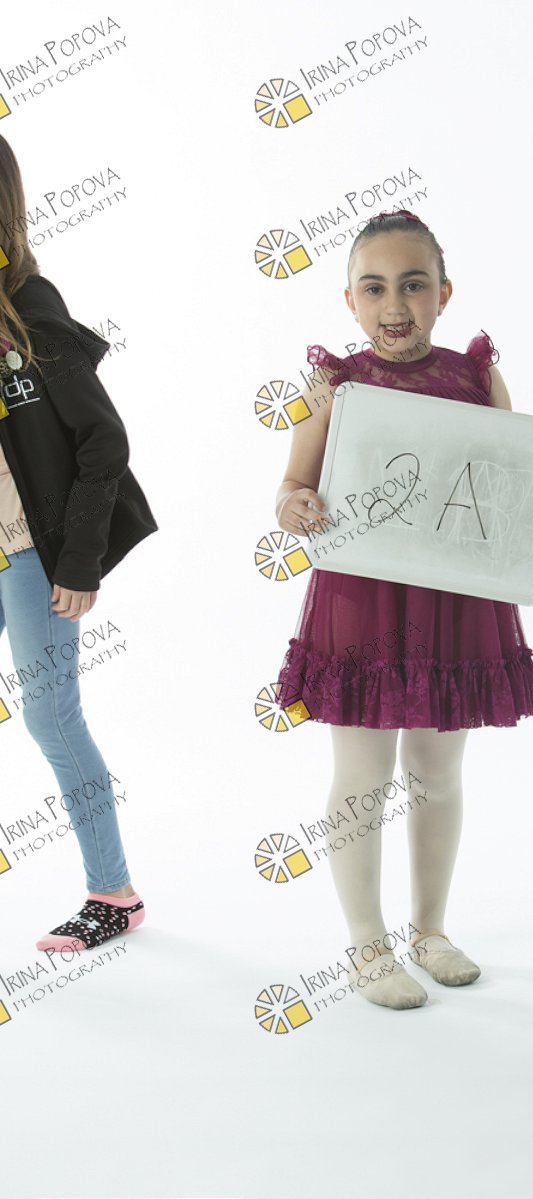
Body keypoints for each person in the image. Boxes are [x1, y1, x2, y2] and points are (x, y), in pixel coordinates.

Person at [274, 209, 533, 1011]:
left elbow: (513, 486)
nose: (394, 304)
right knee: (362, 773)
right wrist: (296, 506)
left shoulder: (477, 378)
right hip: (361, 598)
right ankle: (367, 945)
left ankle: (429, 930)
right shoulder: (335, 386)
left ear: (444, 292)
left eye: (412, 285)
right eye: (374, 288)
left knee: (437, 771)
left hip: (454, 597)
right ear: (350, 300)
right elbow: (292, 485)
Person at [0, 134, 157, 952]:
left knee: (51, 717)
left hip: (33, 554)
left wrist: (80, 557)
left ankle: (113, 893)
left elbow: (103, 439)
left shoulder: (30, 305)